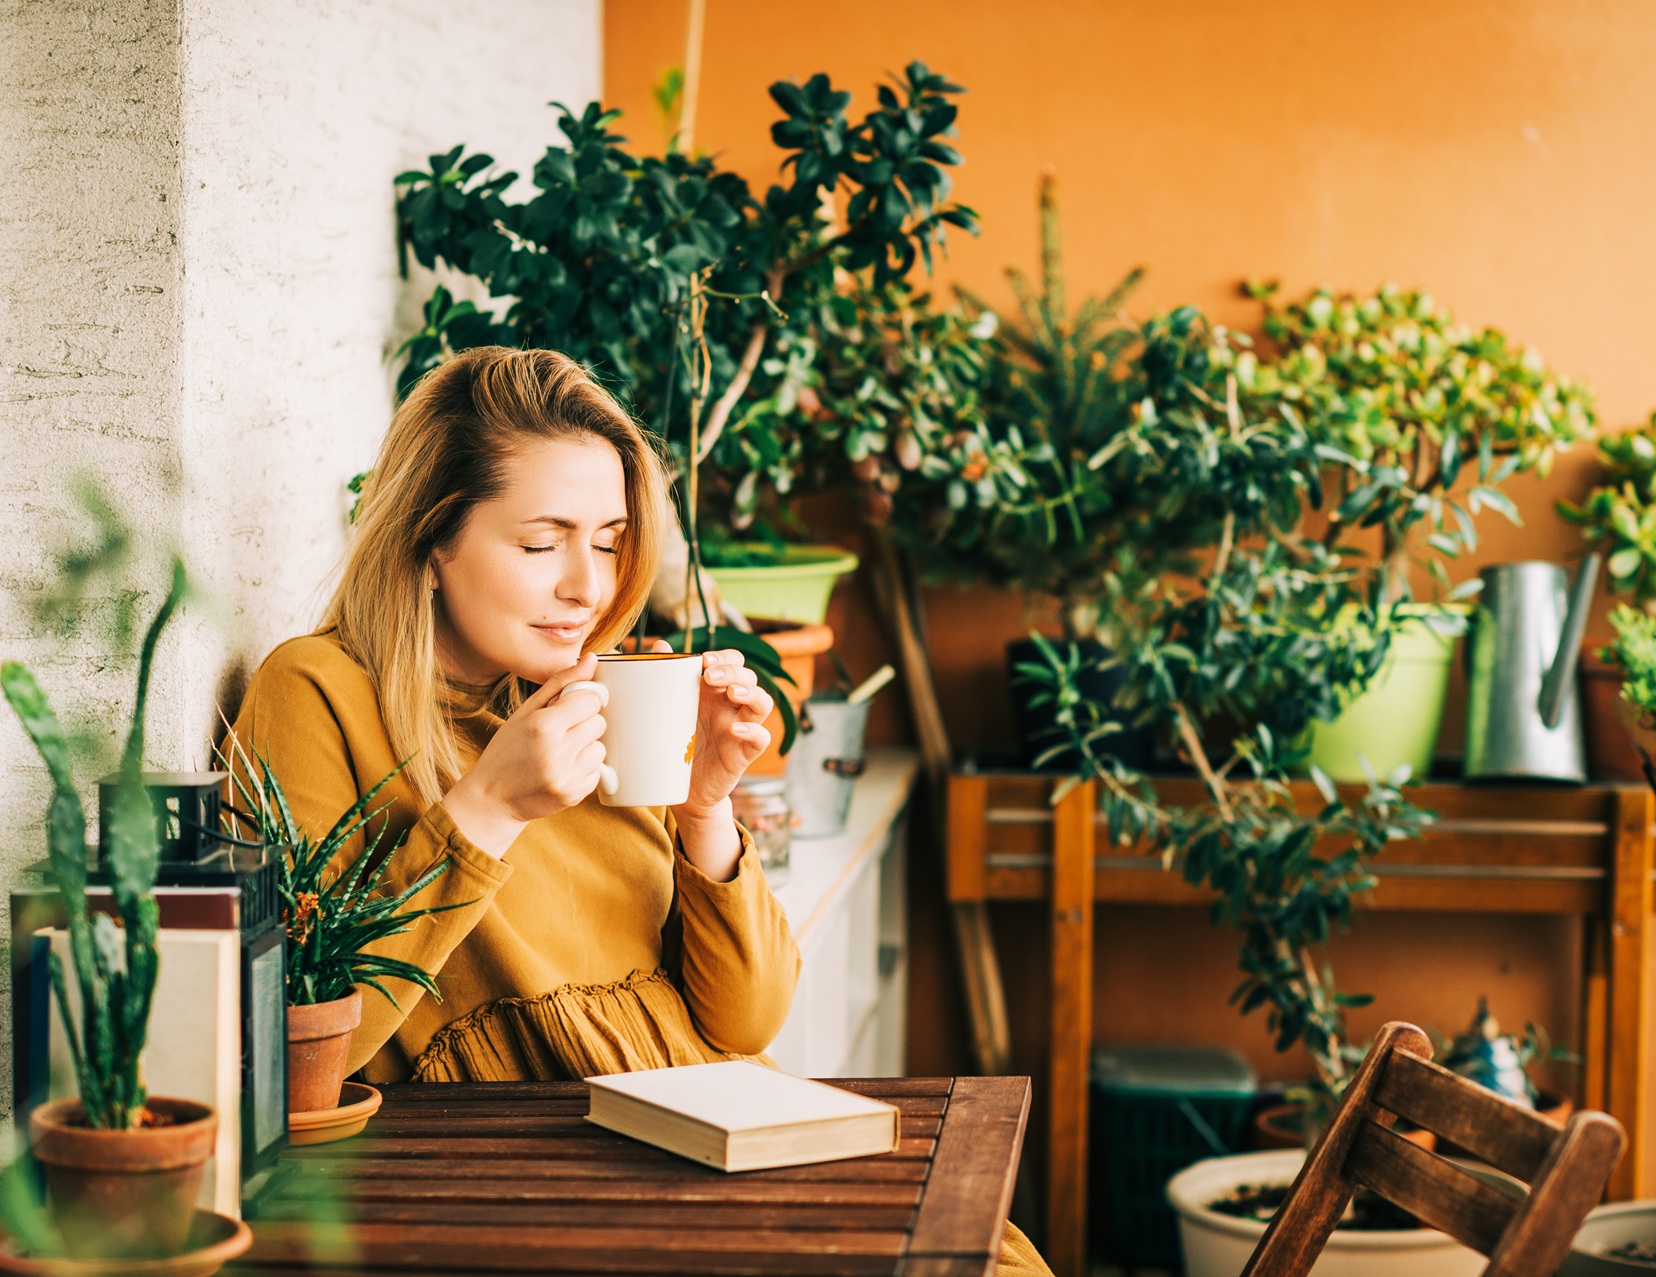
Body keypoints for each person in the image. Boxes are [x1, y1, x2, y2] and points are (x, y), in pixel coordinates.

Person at [228, 346, 1050, 1273]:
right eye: (542, 544)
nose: (590, 586)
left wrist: (706, 807)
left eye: (611, 540)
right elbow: (295, 1052)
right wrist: (488, 809)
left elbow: (747, 1021)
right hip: (561, 1188)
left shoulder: (598, 693)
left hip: (721, 1136)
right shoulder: (317, 692)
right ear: (431, 542)